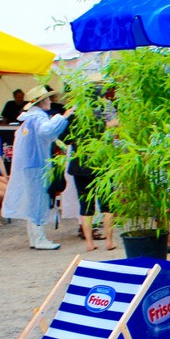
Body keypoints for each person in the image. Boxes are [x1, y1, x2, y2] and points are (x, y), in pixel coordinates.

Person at [4, 85, 72, 250]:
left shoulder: (29, 118)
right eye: (47, 99)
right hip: (37, 166)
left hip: (31, 166)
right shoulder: (38, 118)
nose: (50, 101)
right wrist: (63, 117)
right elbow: (47, 132)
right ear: (42, 102)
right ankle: (40, 239)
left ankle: (35, 238)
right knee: (38, 202)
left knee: (33, 201)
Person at [68, 106, 116, 252]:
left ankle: (89, 243)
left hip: (80, 164)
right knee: (107, 204)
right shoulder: (102, 112)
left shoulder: (73, 114)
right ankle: (109, 241)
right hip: (101, 163)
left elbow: (64, 137)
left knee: (85, 204)